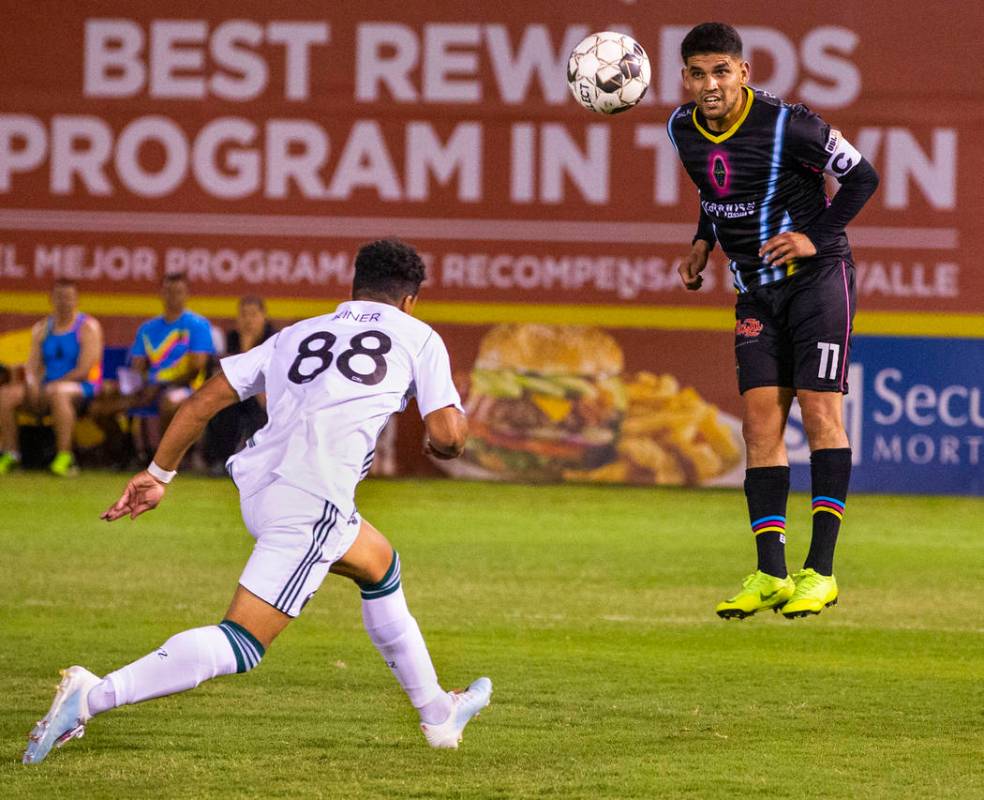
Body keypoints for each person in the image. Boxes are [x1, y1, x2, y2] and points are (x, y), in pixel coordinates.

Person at [23, 239, 492, 765]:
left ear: (354, 286)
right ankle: (91, 695)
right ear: (410, 300)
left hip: (260, 488)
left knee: (379, 565)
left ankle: (437, 715)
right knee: (242, 643)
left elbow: (205, 400)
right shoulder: (418, 336)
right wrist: (445, 439)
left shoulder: (296, 333)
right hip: (312, 501)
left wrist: (158, 475)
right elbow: (449, 436)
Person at [668, 23, 879, 619]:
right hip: (755, 292)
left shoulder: (792, 124)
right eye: (698, 73)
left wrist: (814, 237)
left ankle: (822, 572)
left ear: (744, 73)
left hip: (818, 284)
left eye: (721, 71)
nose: (710, 85)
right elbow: (717, 191)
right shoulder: (681, 128)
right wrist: (702, 242)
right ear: (686, 79)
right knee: (759, 427)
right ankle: (771, 573)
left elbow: (863, 176)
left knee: (819, 413)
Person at [0, 279, 104, 477]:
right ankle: (11, 453)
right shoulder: (42, 328)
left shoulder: (87, 327)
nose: (64, 302)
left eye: (68, 298)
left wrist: (53, 385)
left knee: (58, 393)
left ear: (76, 300)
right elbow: (33, 364)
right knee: (6, 395)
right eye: (59, 297)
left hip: (83, 387)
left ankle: (65, 456)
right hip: (46, 387)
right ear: (51, 299)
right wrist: (32, 385)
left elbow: (85, 369)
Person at [127, 272, 215, 462]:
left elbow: (196, 368)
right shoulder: (147, 329)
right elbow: (137, 365)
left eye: (178, 292)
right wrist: (137, 385)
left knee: (170, 401)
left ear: (186, 295)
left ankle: (166, 459)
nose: (173, 296)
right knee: (106, 403)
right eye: (169, 291)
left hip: (188, 387)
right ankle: (122, 454)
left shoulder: (197, 325)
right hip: (150, 387)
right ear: (161, 294)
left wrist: (159, 386)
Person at [204, 296, 275, 473]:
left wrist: (247, 349)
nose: (248, 320)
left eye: (253, 314)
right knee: (221, 404)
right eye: (244, 315)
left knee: (258, 408)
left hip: (266, 399)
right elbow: (223, 376)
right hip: (237, 398)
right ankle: (220, 459)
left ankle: (260, 459)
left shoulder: (274, 340)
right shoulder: (232, 338)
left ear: (264, 316)